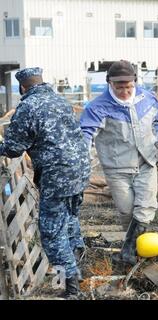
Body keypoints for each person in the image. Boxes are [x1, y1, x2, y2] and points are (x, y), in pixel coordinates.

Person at [0, 67, 90, 297]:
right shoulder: (59, 101)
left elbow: (12, 148)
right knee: (69, 219)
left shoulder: (28, 106)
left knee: (51, 233)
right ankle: (79, 266)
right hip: (80, 170)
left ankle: (69, 287)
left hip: (57, 176)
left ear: (23, 87)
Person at [80, 60, 158, 265]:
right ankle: (136, 249)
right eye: (119, 87)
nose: (125, 91)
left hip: (146, 163)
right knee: (127, 212)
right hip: (117, 169)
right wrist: (81, 159)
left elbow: (156, 122)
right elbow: (85, 135)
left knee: (145, 209)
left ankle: (130, 252)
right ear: (110, 83)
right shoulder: (98, 107)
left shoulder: (148, 99)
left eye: (129, 86)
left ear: (134, 82)